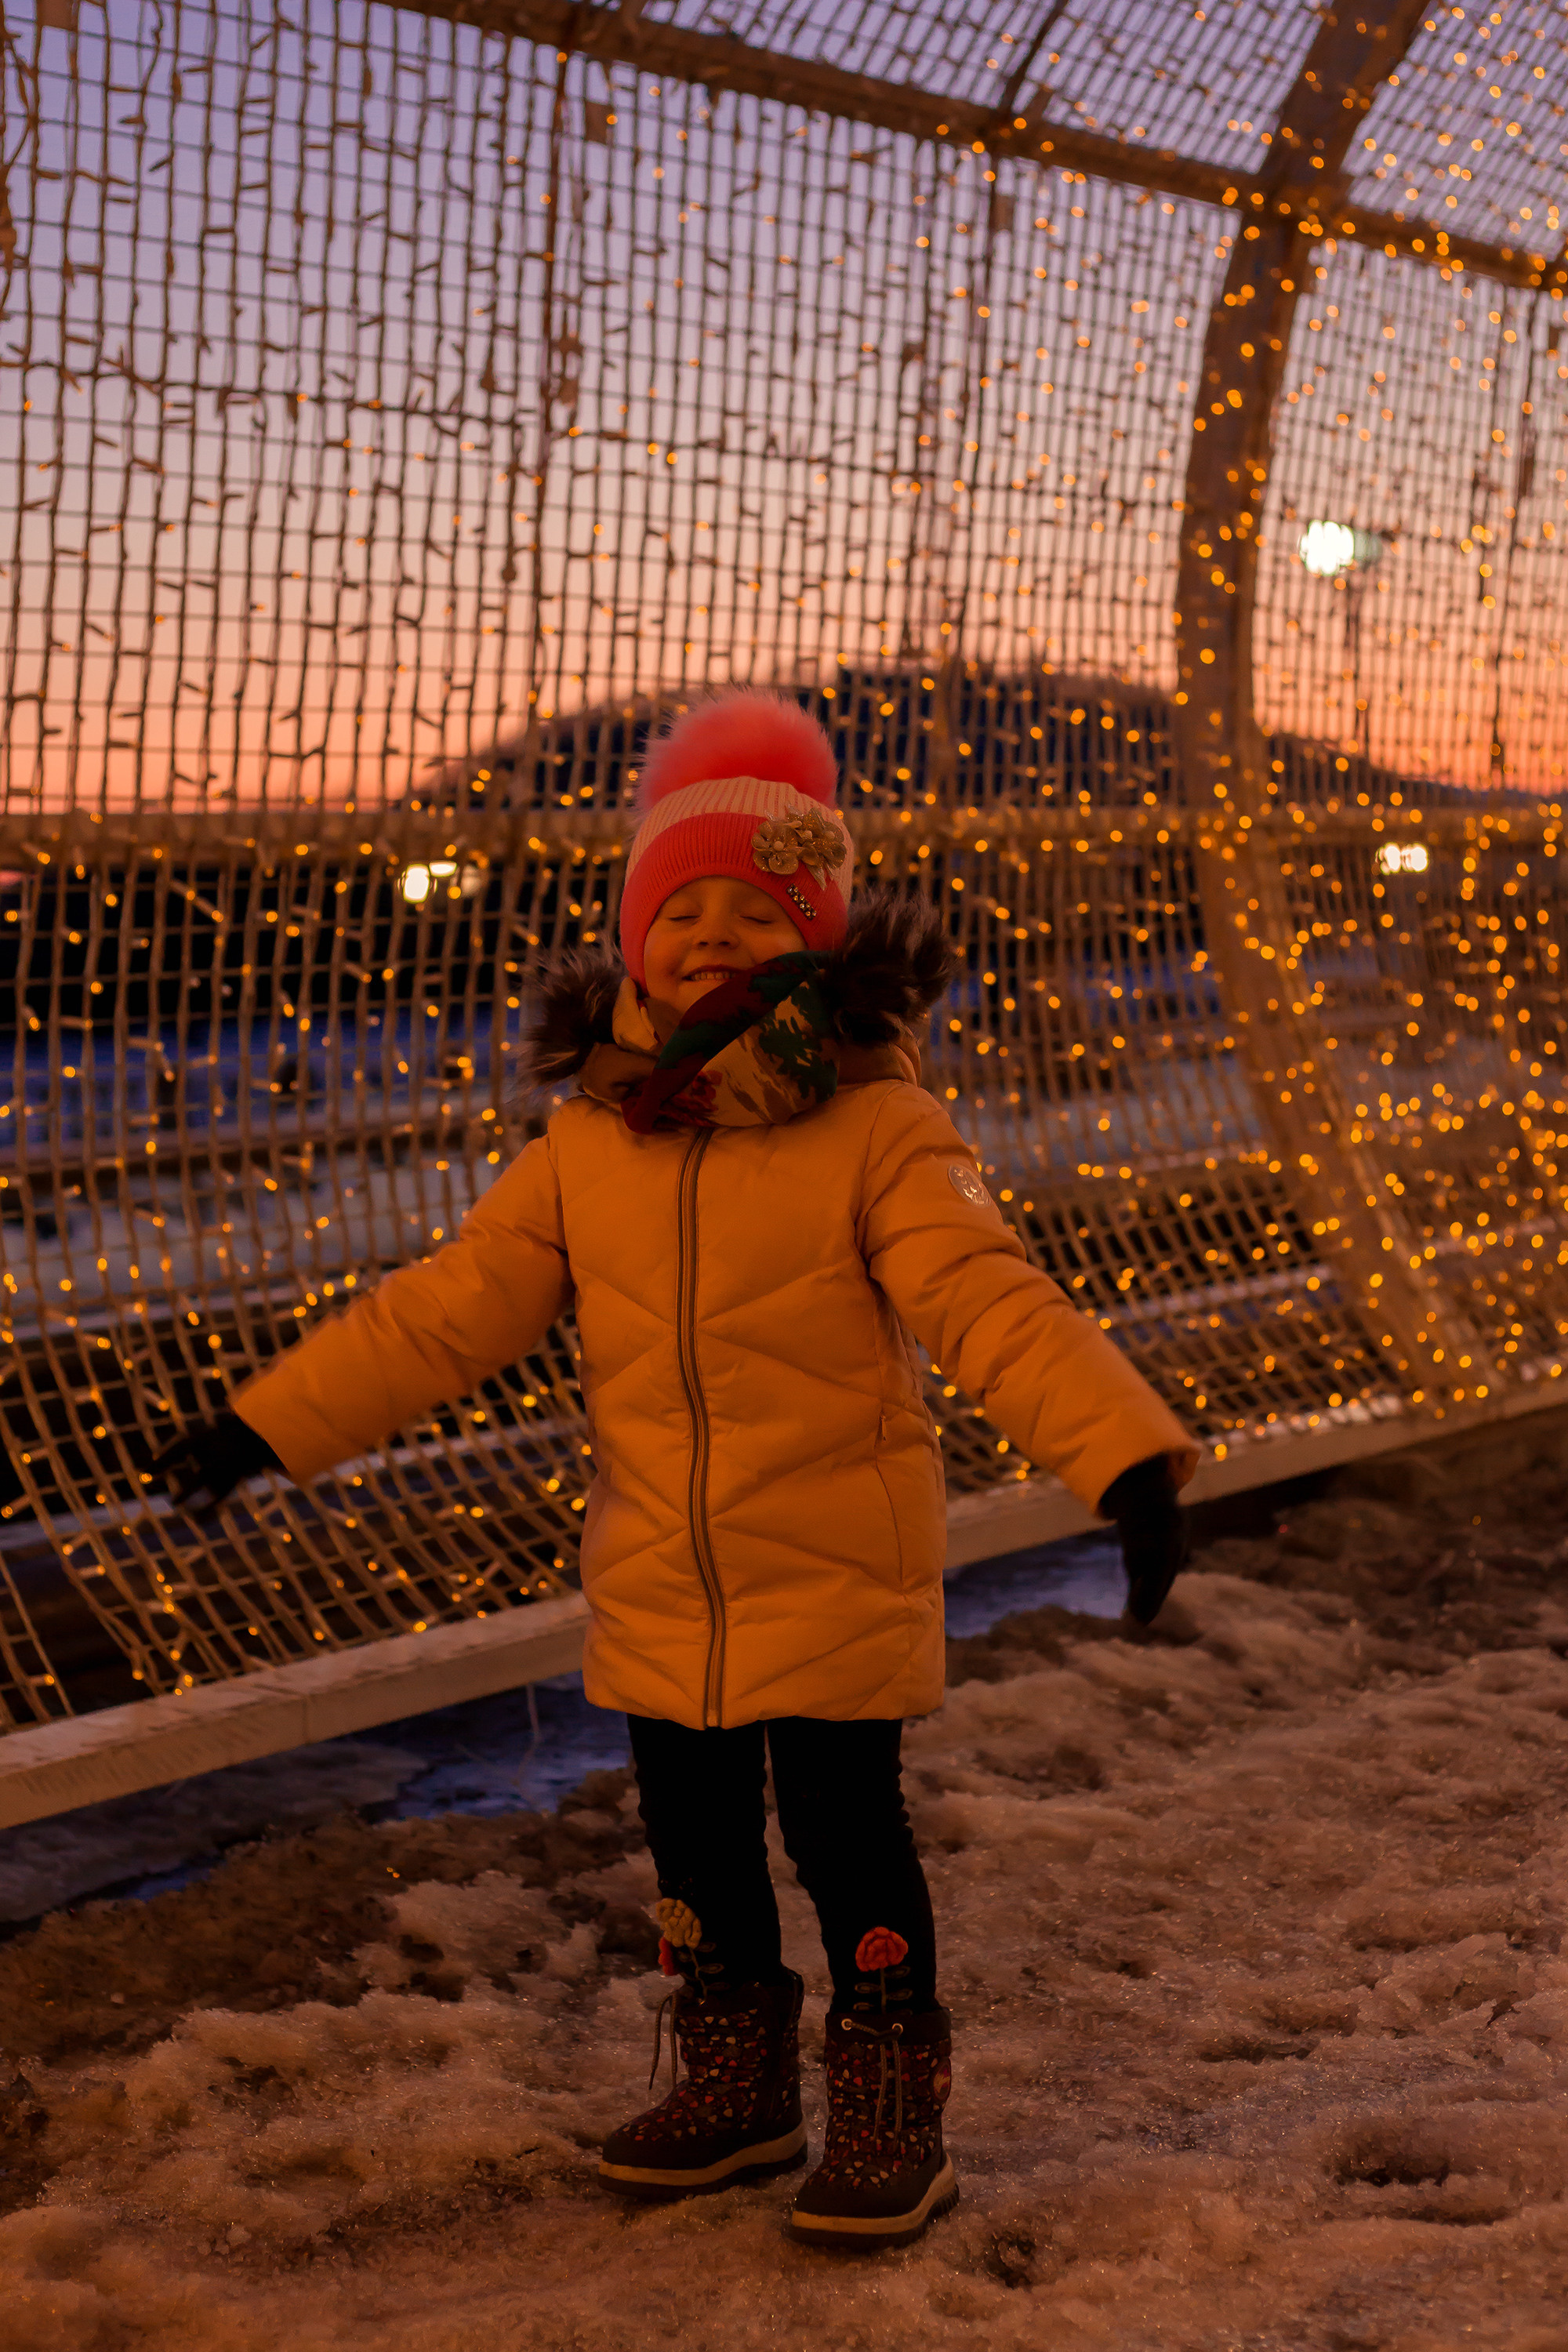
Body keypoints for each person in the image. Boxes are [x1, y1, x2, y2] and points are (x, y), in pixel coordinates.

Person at [153, 689, 1197, 2250]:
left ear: (817, 943)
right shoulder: (585, 1144)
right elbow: (448, 1313)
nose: (711, 933)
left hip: (834, 1571)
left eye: (753, 911)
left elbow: (987, 1297)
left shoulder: (877, 1129)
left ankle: (890, 2100)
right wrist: (265, 1423)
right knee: (694, 1857)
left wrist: (1119, 1455)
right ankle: (737, 2077)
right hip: (659, 1585)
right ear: (635, 941)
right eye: (680, 907)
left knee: (849, 1844)